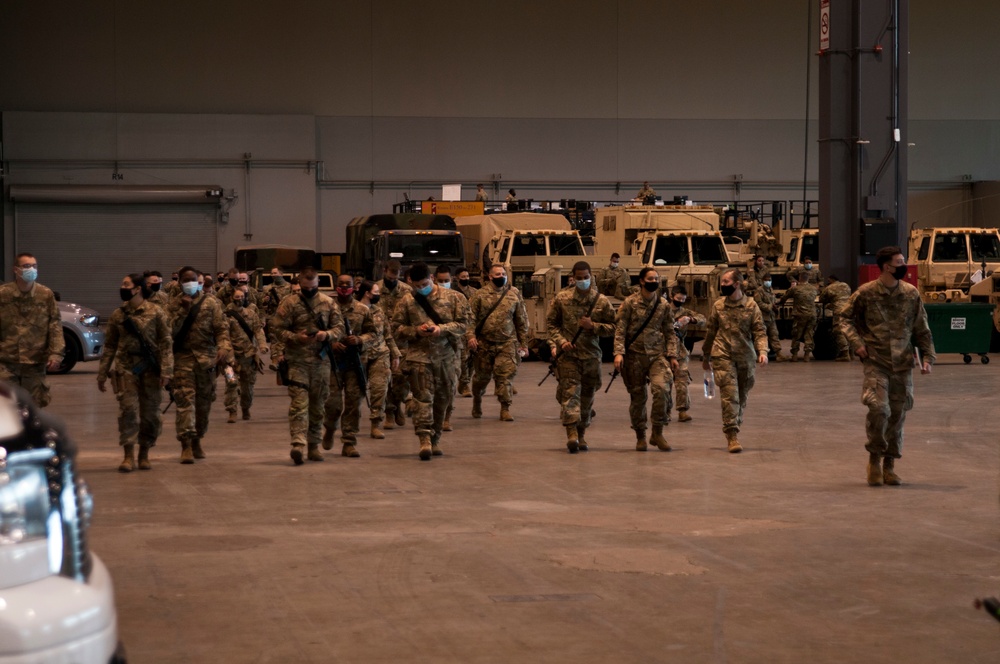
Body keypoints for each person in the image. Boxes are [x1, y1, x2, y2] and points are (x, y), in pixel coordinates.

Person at [840, 246, 935, 487]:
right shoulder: (866, 293)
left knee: (898, 415)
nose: (904, 265)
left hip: (902, 364)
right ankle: (874, 457)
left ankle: (889, 465)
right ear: (886, 267)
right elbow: (844, 318)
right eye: (899, 262)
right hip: (876, 362)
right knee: (879, 409)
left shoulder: (911, 294)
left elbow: (921, 328)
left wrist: (927, 357)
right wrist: (856, 343)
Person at [391, 261, 469, 460]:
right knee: (422, 399)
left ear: (431, 279)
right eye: (416, 286)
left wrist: (441, 329)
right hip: (419, 358)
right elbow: (396, 329)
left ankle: (435, 439)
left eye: (423, 284)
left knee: (443, 399)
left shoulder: (455, 298)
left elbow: (463, 325)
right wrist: (415, 331)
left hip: (446, 357)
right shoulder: (407, 301)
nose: (420, 288)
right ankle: (424, 439)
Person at [97, 273, 174, 472]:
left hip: (151, 369)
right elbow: (111, 345)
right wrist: (102, 372)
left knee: (151, 414)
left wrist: (166, 370)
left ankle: (144, 452)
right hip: (125, 367)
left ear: (138, 288)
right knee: (128, 411)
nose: (122, 287)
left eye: (126, 284)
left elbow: (166, 343)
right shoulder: (118, 315)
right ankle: (128, 455)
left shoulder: (156, 312)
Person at [271, 268, 345, 465]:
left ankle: (314, 445)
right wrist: (296, 337)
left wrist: (326, 335)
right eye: (305, 288)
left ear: (318, 284)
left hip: (321, 363)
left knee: (318, 406)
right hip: (297, 362)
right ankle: (298, 444)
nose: (309, 291)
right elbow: (276, 329)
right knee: (299, 405)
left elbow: (340, 328)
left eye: (313, 288)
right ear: (300, 284)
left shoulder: (329, 303)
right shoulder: (289, 303)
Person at [546, 261, 616, 453]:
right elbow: (551, 325)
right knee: (570, 395)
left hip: (592, 357)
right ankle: (571, 435)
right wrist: (561, 342)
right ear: (573, 277)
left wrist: (593, 326)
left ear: (591, 276)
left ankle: (582, 433)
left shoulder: (601, 301)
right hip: (569, 357)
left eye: (586, 277)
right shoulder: (562, 298)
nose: (583, 280)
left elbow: (615, 328)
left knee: (587, 399)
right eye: (579, 278)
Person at [167, 266, 232, 463]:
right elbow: (167, 333)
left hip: (207, 360)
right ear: (179, 283)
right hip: (183, 359)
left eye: (192, 279)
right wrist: (182, 312)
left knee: (204, 405)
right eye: (185, 280)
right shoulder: (172, 306)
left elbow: (222, 328)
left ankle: (197, 439)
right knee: (185, 402)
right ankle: (185, 444)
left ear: (199, 281)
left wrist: (223, 347)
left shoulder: (211, 303)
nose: (189, 283)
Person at [701, 268, 768, 453]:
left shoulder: (751, 306)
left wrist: (763, 351)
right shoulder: (718, 306)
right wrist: (706, 356)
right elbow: (711, 332)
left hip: (746, 357)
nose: (722, 286)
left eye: (726, 282)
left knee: (742, 395)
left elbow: (759, 331)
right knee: (730, 396)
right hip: (723, 355)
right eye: (722, 282)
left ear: (737, 284)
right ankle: (732, 436)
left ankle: (735, 423)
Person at [613, 268, 679, 451]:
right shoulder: (630, 303)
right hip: (634, 355)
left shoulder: (663, 304)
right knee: (638, 397)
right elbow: (621, 329)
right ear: (642, 281)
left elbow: (670, 332)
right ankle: (640, 435)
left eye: (656, 278)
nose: (654, 281)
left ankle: (657, 432)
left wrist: (672, 355)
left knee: (662, 389)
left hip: (657, 355)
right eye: (651, 278)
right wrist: (619, 353)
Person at [0, 253, 64, 407]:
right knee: (7, 410)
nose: (31, 269)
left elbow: (54, 325)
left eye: (34, 266)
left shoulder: (45, 295)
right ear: (16, 269)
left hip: (34, 363)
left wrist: (56, 353)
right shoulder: (3, 294)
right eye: (26, 266)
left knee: (34, 409)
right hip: (7, 362)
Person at [323, 274, 376, 458]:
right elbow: (318, 334)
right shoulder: (327, 308)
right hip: (332, 364)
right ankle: (330, 428)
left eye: (348, 284)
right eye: (341, 284)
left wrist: (359, 340)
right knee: (333, 404)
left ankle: (349, 441)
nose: (344, 287)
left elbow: (373, 333)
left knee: (354, 403)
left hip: (355, 363)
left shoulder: (363, 310)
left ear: (355, 287)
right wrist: (331, 344)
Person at [467, 264, 528, 422]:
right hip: (484, 344)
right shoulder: (479, 295)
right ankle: (477, 400)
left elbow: (521, 320)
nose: (501, 276)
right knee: (481, 378)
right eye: (497, 274)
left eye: (503, 274)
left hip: (507, 343)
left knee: (505, 377)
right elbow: (470, 319)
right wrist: (470, 337)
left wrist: (524, 343)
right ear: (490, 276)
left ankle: (505, 408)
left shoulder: (513, 295)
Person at [357, 280, 399, 439]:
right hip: (359, 357)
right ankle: (351, 424)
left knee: (379, 389)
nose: (378, 295)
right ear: (367, 293)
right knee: (356, 393)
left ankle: (376, 423)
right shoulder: (354, 310)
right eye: (376, 292)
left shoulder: (378, 311)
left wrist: (395, 354)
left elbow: (387, 334)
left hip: (380, 354)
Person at [223, 287, 268, 423]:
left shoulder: (251, 314)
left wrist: (262, 345)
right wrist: (228, 355)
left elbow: (258, 330)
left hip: (248, 356)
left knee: (247, 385)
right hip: (230, 358)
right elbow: (223, 336)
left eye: (242, 296)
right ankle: (232, 410)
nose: (240, 299)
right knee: (231, 382)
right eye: (237, 297)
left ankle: (246, 408)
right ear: (232, 298)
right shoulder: (225, 315)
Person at [377, 260, 413, 429]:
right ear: (385, 271)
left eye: (397, 273)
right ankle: (389, 413)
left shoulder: (407, 291)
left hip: (402, 342)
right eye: (391, 273)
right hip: (381, 343)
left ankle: (397, 404)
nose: (393, 276)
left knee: (400, 378)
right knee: (384, 379)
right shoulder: (376, 289)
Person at [668, 284, 707, 421]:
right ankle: (665, 411)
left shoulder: (685, 312)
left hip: (680, 352)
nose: (681, 301)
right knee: (664, 383)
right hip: (663, 351)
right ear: (672, 296)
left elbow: (703, 319)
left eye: (683, 299)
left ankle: (682, 410)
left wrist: (690, 319)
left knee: (682, 381)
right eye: (678, 298)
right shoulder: (662, 311)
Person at [434, 265, 465, 431]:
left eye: (446, 281)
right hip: (429, 350)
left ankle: (447, 416)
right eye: (440, 281)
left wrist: (445, 329)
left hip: (452, 349)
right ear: (433, 279)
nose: (443, 283)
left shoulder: (458, 298)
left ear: (452, 280)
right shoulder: (425, 299)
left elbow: (465, 324)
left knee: (450, 384)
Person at [778, 279, 819, 361]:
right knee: (809, 334)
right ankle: (807, 355)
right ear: (807, 279)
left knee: (796, 335)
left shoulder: (795, 289)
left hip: (799, 315)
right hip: (812, 315)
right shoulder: (814, 288)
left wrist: (780, 302)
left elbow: (784, 298)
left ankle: (795, 355)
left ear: (799, 279)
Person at [753, 276, 788, 361]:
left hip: (771, 318)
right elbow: (758, 303)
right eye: (766, 280)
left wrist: (776, 304)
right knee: (761, 336)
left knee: (774, 335)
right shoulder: (759, 291)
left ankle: (778, 354)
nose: (768, 282)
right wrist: (770, 307)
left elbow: (773, 300)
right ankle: (759, 355)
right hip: (762, 318)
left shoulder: (770, 290)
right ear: (762, 281)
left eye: (769, 280)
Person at [819, 275, 853, 361]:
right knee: (848, 330)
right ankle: (851, 353)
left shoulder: (829, 287)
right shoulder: (846, 285)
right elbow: (843, 298)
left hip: (839, 311)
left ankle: (845, 354)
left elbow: (821, 299)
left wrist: (829, 304)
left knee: (838, 331)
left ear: (831, 279)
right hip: (850, 310)